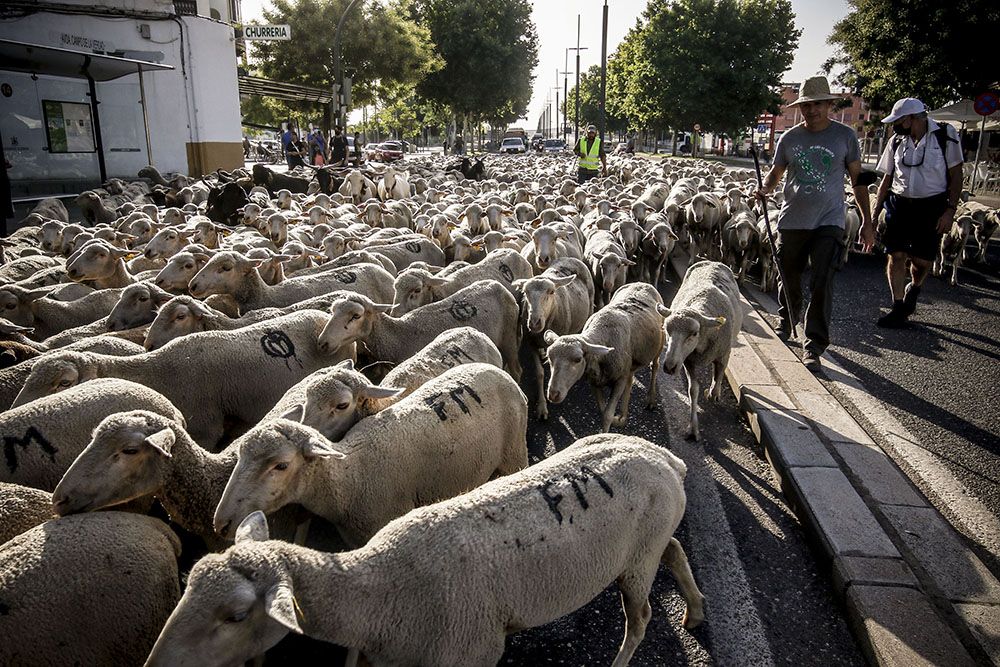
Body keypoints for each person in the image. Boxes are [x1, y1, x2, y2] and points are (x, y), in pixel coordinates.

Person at [755, 76, 875, 372]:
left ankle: (814, 345)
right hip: (793, 218)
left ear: (829, 105)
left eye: (817, 104)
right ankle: (787, 318)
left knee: (823, 282)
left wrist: (867, 221)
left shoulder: (845, 137)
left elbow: (858, 181)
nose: (811, 110)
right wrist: (765, 189)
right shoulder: (790, 138)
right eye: (806, 105)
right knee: (789, 275)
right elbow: (775, 173)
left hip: (830, 220)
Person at [871, 98, 964, 328]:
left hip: (930, 206)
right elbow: (886, 179)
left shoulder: (945, 135)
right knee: (896, 255)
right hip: (899, 203)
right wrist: (874, 213)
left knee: (922, 261)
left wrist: (950, 211)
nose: (896, 125)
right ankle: (898, 305)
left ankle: (915, 286)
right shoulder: (896, 141)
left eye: (899, 121)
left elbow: (957, 174)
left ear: (912, 118)